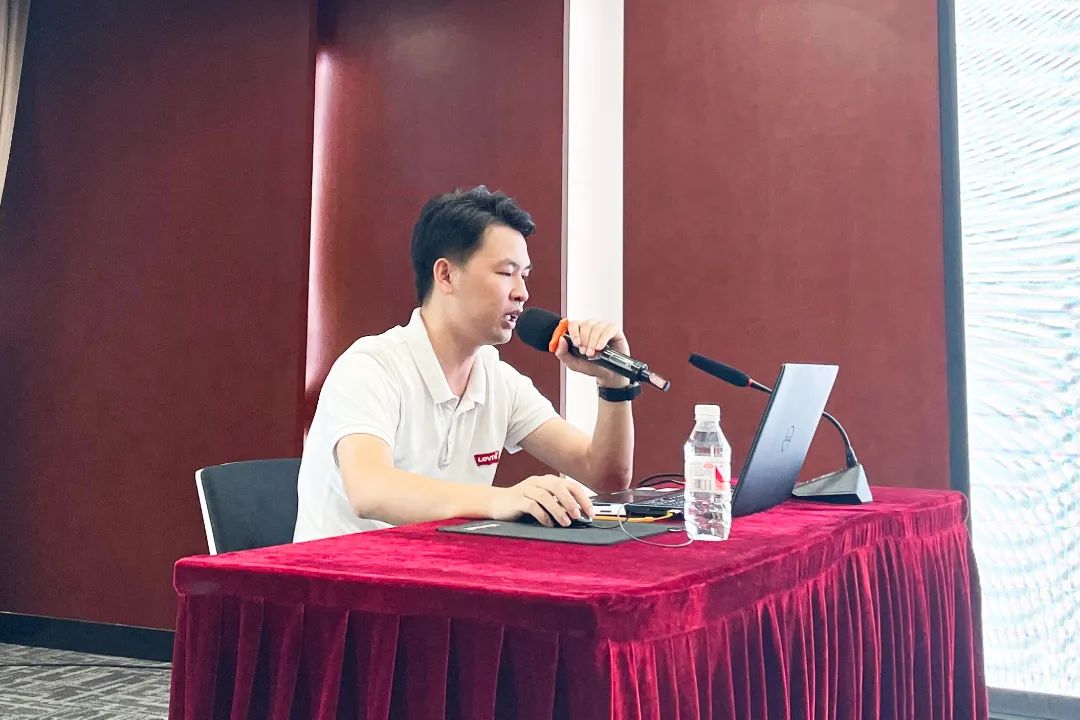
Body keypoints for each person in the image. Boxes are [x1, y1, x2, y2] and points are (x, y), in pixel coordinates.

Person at [293, 186, 637, 541]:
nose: (522, 292)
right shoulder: (370, 366)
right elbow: (370, 491)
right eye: (506, 273)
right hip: (338, 572)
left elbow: (605, 476)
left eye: (524, 275)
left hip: (438, 568)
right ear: (446, 275)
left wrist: (614, 384)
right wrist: (500, 499)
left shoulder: (498, 380)